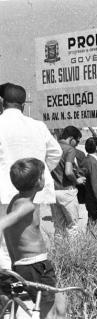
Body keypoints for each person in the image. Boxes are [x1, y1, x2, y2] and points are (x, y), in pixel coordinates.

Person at [0, 83, 62, 269]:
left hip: (4, 191)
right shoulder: (38, 126)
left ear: (2, 101)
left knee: (4, 245)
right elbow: (55, 153)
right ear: (23, 103)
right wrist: (35, 177)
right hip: (33, 192)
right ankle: (28, 288)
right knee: (30, 240)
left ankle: (10, 289)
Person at [0, 158, 66, 319]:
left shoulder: (18, 200)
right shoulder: (26, 206)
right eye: (44, 174)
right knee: (50, 310)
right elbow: (3, 223)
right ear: (38, 181)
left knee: (59, 303)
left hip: (26, 266)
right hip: (35, 266)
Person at [50, 126, 86, 235]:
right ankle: (73, 252)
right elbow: (68, 172)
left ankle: (59, 251)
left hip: (53, 191)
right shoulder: (69, 149)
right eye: (77, 140)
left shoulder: (52, 147)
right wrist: (76, 181)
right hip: (67, 191)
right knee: (73, 227)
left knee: (58, 227)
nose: (77, 144)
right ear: (71, 138)